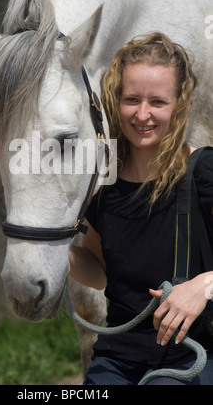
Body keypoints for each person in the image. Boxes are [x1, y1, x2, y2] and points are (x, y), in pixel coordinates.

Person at [69, 32, 213, 385]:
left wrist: (205, 286)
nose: (142, 114)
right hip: (115, 360)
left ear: (179, 104)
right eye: (131, 99)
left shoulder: (204, 171)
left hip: (190, 357)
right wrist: (50, 250)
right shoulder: (103, 182)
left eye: (158, 102)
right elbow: (100, 271)